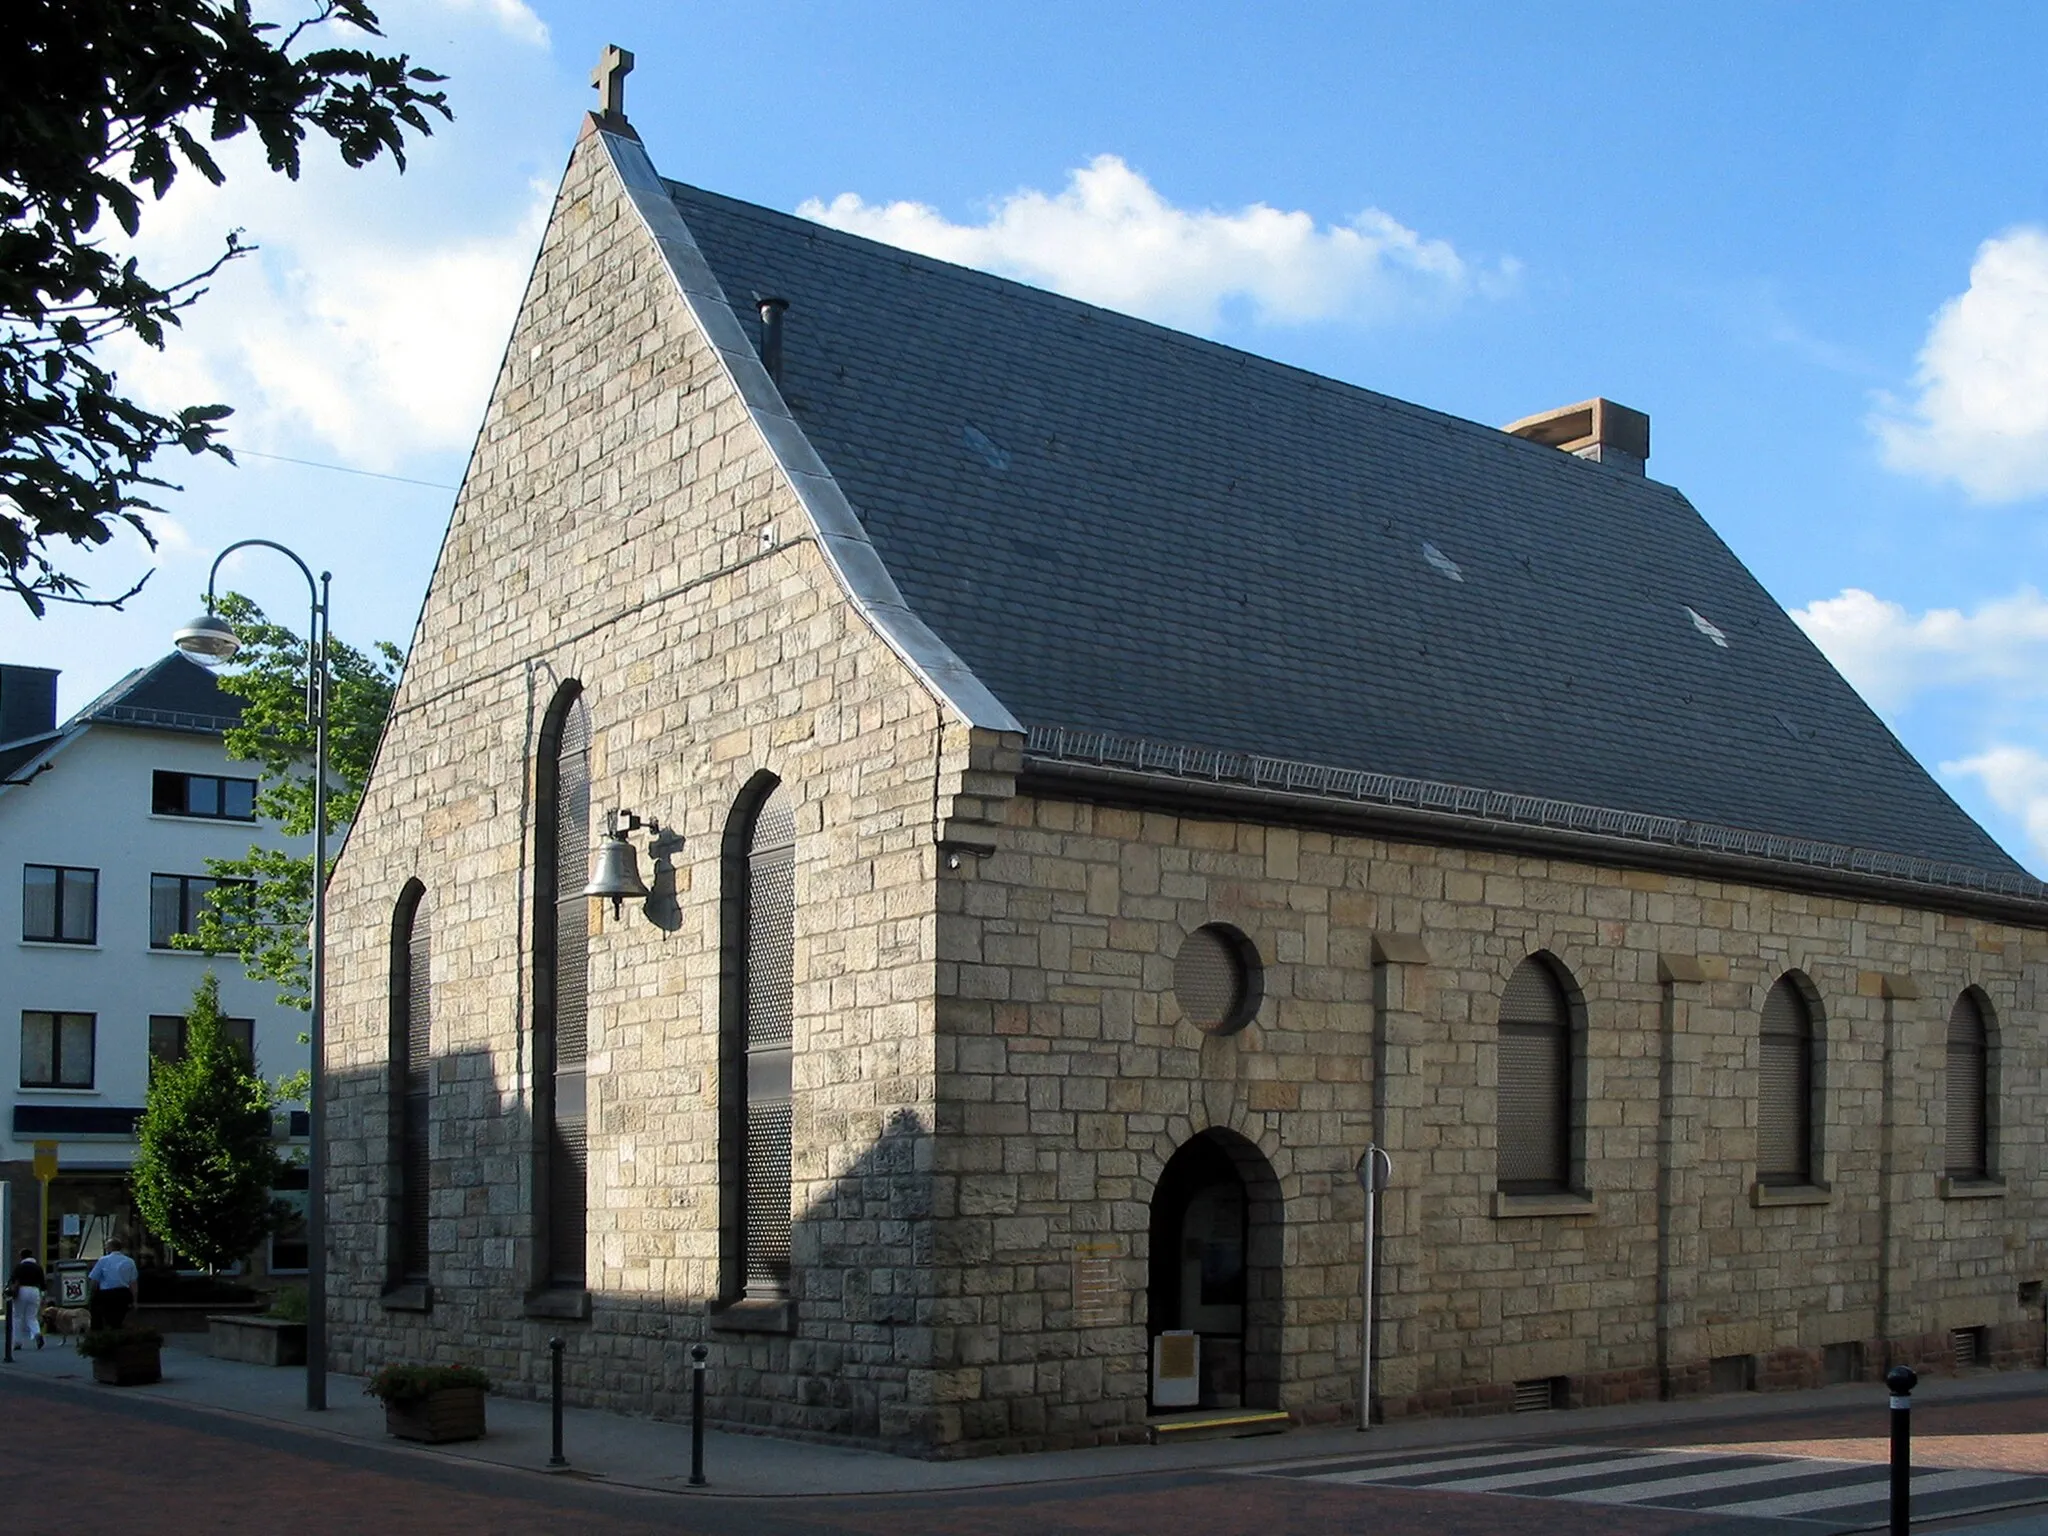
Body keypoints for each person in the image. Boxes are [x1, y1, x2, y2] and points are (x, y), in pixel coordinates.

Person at [86, 1239, 138, 1331]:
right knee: (118, 1318)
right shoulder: (130, 1261)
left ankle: (99, 1335)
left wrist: (90, 1294)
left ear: (110, 1247)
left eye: (106, 1246)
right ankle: (117, 1332)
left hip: (106, 1294)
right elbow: (133, 1283)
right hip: (123, 1293)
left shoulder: (103, 1260)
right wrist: (134, 1300)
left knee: (99, 1315)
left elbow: (94, 1280)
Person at [9, 1249, 44, 1350]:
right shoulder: (38, 1267)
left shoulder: (19, 1267)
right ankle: (37, 1333)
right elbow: (43, 1283)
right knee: (32, 1316)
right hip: (35, 1291)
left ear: (21, 1256)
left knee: (17, 1317)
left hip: (22, 1291)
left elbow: (12, 1280)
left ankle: (17, 1342)